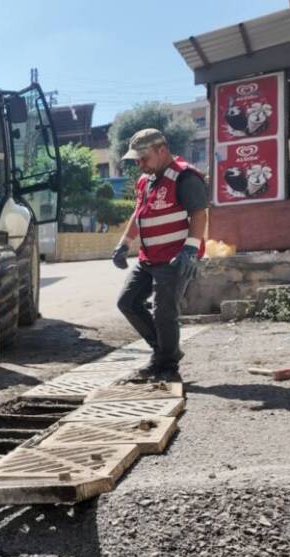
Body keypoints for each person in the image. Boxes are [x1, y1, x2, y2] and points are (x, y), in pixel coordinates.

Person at [112, 128, 207, 382]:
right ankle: (164, 352)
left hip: (175, 258)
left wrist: (190, 249)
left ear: (162, 150)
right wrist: (124, 243)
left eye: (144, 159)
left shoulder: (185, 177)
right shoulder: (146, 181)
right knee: (128, 302)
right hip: (148, 259)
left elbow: (199, 214)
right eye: (138, 160)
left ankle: (166, 366)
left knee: (164, 313)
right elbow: (138, 214)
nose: (140, 165)